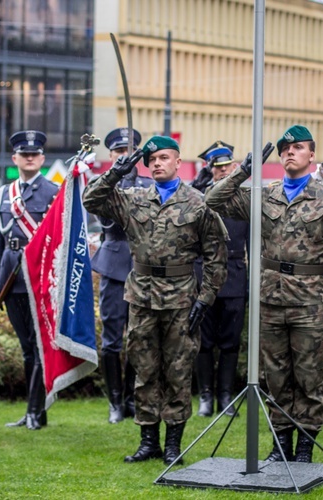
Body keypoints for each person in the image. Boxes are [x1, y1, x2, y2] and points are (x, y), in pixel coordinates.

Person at [206, 125, 323, 464]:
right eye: (285, 148)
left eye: (298, 147)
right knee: (274, 374)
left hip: (309, 300)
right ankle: (280, 444)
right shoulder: (265, 194)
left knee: (308, 374)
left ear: (312, 154)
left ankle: (305, 446)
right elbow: (213, 200)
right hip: (271, 299)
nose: (290, 152)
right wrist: (245, 170)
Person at [83, 135, 228, 465]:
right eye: (152, 160)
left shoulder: (197, 202)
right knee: (145, 371)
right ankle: (148, 442)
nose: (157, 163)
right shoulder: (134, 198)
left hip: (181, 299)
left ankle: (174, 444)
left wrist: (205, 299)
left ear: (178, 161)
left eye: (164, 157)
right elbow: (91, 200)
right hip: (143, 296)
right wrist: (114, 173)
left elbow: (214, 256)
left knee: (178, 371)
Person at [0, 130, 58, 430]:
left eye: (35, 154)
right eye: (23, 154)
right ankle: (34, 411)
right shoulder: (5, 193)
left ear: (42, 159)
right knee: (28, 347)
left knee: (40, 344)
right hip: (12, 279)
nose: (29, 158)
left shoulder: (54, 193)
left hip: (40, 276)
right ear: (15, 158)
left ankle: (35, 411)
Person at [90, 127, 153, 424]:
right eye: (117, 152)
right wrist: (118, 179)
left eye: (127, 151)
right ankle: (115, 402)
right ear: (110, 156)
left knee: (138, 339)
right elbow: (104, 221)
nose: (122, 156)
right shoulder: (103, 185)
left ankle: (132, 399)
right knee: (113, 339)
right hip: (115, 267)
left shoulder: (148, 185)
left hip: (142, 267)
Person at [191, 141, 248, 418]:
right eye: (217, 167)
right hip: (204, 274)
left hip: (235, 274)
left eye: (227, 166)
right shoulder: (200, 197)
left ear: (234, 167)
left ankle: (225, 396)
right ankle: (205, 396)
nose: (222, 171)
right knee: (203, 340)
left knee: (230, 341)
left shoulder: (244, 197)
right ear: (210, 170)